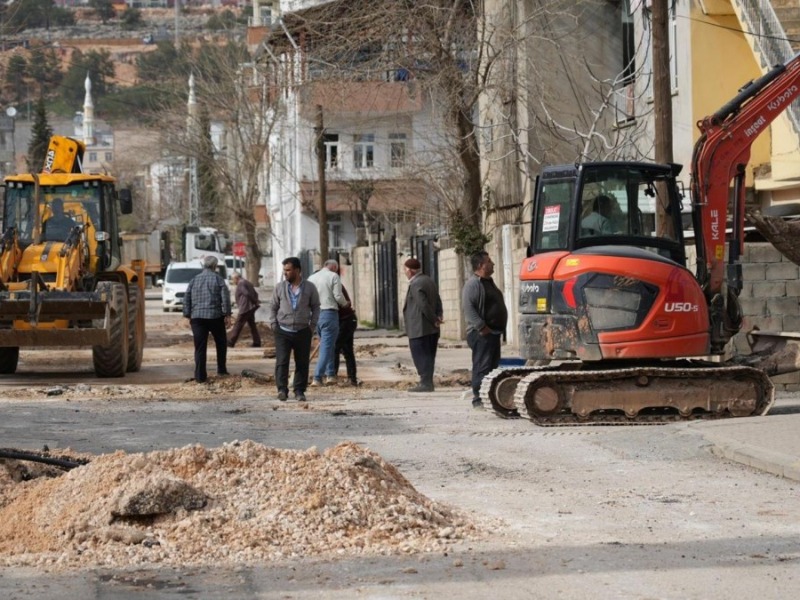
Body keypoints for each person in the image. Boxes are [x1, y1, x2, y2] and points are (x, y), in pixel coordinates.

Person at [268, 257, 320, 402]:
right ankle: (282, 390)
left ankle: (299, 391)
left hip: (303, 330)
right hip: (283, 330)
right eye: (284, 270)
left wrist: (312, 326)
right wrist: (273, 324)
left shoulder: (309, 287)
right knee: (282, 361)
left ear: (297, 270)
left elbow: (316, 306)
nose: (285, 273)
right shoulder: (279, 287)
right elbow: (273, 306)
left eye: (288, 270)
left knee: (302, 362)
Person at [463, 251, 509, 410]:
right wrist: (481, 327)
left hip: (493, 333)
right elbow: (469, 309)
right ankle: (478, 399)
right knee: (482, 367)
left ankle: (489, 398)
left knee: (492, 367)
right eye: (489, 261)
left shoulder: (489, 282)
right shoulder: (473, 284)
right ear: (481, 265)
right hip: (481, 334)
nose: (493, 264)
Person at [183, 255, 232, 383]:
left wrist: (188, 314)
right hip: (215, 317)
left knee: (200, 347)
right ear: (215, 266)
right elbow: (225, 298)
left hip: (197, 318)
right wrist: (227, 314)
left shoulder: (194, 280)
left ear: (203, 265)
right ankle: (221, 370)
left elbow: (186, 297)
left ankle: (200, 376)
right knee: (221, 344)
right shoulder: (218, 279)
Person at [402, 257, 443, 392]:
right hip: (431, 328)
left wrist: (434, 319)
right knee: (429, 355)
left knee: (421, 355)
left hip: (420, 328)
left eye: (406, 269)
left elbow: (423, 305)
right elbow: (438, 300)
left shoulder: (416, 284)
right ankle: (428, 382)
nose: (405, 272)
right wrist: (438, 316)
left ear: (411, 271)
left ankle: (425, 383)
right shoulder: (428, 280)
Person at [307, 259, 349, 386]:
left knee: (327, 344)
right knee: (326, 346)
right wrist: (345, 304)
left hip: (315, 316)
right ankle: (317, 377)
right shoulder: (333, 276)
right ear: (334, 267)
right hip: (329, 314)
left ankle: (330, 375)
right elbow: (338, 296)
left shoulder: (311, 278)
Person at [333, 269, 359, 387]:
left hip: (347, 321)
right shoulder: (334, 285)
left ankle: (332, 376)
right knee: (347, 350)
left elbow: (341, 302)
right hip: (345, 320)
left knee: (335, 348)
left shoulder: (335, 286)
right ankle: (352, 379)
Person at [227, 272, 262, 348]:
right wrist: (255, 301)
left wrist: (254, 301)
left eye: (233, 280)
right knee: (252, 325)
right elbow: (255, 293)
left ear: (236, 278)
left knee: (238, 324)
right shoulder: (247, 282)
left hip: (245, 307)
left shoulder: (241, 283)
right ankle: (257, 342)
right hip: (250, 307)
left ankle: (231, 341)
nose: (233, 282)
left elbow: (246, 293)